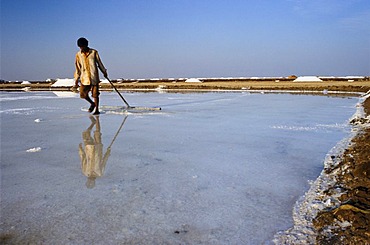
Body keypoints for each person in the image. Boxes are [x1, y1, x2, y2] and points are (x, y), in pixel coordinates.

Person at [74, 37, 107, 115]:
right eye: (80, 47)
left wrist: (104, 72)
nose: (82, 48)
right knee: (82, 94)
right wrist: (76, 79)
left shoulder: (94, 52)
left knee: (95, 94)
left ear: (86, 45)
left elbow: (99, 63)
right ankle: (92, 104)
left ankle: (97, 110)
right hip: (84, 78)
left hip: (94, 77)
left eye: (83, 46)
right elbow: (78, 67)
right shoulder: (78, 55)